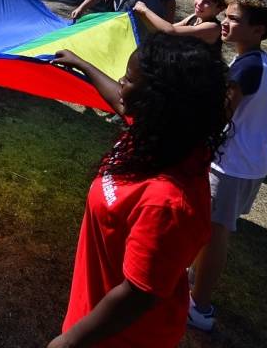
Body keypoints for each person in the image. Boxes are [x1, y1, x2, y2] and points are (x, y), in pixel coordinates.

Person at [46, 35, 229, 348]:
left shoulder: (168, 203)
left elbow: (138, 294)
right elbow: (119, 100)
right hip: (91, 319)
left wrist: (67, 343)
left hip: (120, 339)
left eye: (128, 79)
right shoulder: (159, 135)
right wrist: (81, 64)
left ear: (157, 100)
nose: (121, 85)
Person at [188, 0, 267, 332]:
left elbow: (219, 115)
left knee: (215, 235)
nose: (224, 23)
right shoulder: (256, 59)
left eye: (233, 19)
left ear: (258, 30)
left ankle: (199, 306)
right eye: (225, 16)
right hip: (249, 162)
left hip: (232, 166)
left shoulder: (246, 68)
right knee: (212, 230)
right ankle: (195, 277)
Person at [132, 0, 230, 54]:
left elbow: (171, 31)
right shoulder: (194, 17)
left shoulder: (212, 27)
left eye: (207, 2)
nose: (199, 3)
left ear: (220, 8)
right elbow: (162, 31)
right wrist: (143, 16)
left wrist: (145, 10)